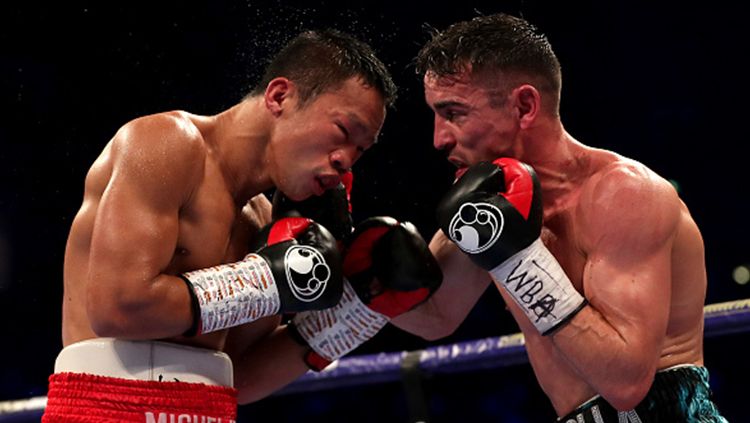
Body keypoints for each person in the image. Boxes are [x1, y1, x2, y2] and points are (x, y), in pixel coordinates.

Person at [43, 28, 442, 422]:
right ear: (280, 96)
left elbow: (241, 376)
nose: (346, 161)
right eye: (343, 131)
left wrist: (356, 311)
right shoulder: (166, 144)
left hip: (208, 411)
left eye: (361, 150)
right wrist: (263, 282)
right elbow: (118, 308)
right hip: (106, 408)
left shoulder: (265, 223)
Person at [392, 13, 728, 422]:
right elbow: (435, 316)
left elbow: (625, 384)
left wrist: (519, 260)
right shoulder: (488, 209)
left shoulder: (624, 195)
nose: (439, 138)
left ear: (525, 105)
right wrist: (363, 273)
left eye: (454, 113)